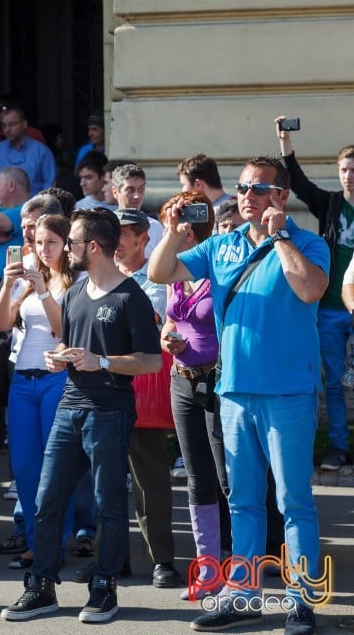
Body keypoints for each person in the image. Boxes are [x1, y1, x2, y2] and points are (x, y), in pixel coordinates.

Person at [149, 157, 328, 634]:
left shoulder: (308, 243)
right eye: (243, 187)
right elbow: (160, 272)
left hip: (288, 392)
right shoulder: (222, 245)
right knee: (242, 500)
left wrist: (281, 237)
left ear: (280, 196)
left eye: (258, 188)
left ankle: (301, 600)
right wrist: (170, 232)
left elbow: (311, 290)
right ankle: (242, 596)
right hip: (233, 393)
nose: (246, 195)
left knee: (294, 502)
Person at [0, 208, 160, 624]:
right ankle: (41, 586)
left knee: (108, 502)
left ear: (92, 247)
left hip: (110, 411)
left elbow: (150, 362)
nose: (65, 248)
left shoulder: (131, 297)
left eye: (70, 241)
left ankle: (104, 586)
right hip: (70, 406)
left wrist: (102, 361)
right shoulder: (73, 293)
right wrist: (61, 359)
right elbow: (73, 347)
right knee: (46, 499)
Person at [155, 191, 230, 600]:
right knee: (197, 478)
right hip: (182, 380)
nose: (172, 230)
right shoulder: (175, 273)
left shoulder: (216, 264)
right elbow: (170, 320)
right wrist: (168, 339)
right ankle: (208, 570)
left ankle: (239, 565)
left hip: (218, 380)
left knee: (227, 478)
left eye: (178, 222)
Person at [0, 213, 75, 572]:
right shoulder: (25, 273)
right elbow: (0, 324)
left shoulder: (76, 279)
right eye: (39, 242)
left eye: (52, 242)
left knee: (55, 467)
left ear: (66, 244)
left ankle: (52, 543)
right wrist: (6, 287)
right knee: (25, 467)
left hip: (57, 378)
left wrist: (42, 287)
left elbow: (61, 329)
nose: (44, 249)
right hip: (23, 379)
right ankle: (34, 541)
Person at [112, 207, 182, 589]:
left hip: (140, 388)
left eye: (123, 234)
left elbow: (150, 324)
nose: (116, 241)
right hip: (101, 388)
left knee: (149, 478)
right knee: (105, 480)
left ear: (143, 239)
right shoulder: (95, 277)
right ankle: (113, 559)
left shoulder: (158, 279)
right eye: (112, 234)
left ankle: (161, 560)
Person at [277, 120, 353, 471]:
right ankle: (338, 448)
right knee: (334, 384)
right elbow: (301, 185)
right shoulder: (330, 205)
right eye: (344, 170)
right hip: (331, 310)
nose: (349, 176)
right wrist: (285, 142)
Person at [0, 104, 56, 209]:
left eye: (11, 124)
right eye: (3, 125)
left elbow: (49, 188)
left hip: (32, 213)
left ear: (24, 124)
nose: (7, 129)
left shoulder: (42, 152)